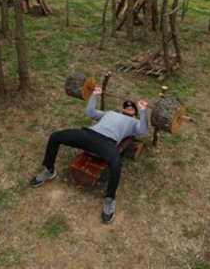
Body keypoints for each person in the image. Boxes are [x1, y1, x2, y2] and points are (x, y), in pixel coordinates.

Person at [30, 86, 148, 223]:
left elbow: (143, 130)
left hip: (107, 143)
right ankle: (49, 169)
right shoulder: (109, 113)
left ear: (135, 114)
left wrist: (144, 112)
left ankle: (109, 199)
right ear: (122, 109)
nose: (129, 108)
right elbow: (90, 112)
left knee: (116, 163)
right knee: (55, 136)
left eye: (132, 108)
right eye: (126, 107)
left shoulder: (134, 123)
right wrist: (94, 95)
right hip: (88, 134)